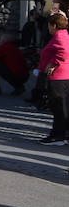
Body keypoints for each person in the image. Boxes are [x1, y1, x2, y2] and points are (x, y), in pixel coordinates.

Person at [36, 12, 69, 144]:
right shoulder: (64, 35)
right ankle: (63, 133)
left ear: (54, 25)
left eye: (49, 26)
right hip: (63, 75)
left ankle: (58, 135)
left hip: (58, 76)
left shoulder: (59, 37)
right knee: (63, 106)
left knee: (58, 106)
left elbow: (64, 52)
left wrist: (53, 63)